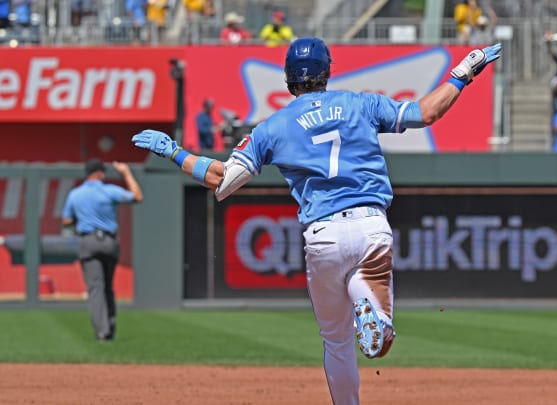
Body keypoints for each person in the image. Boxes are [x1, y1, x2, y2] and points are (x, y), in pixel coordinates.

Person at [132, 37, 502, 405]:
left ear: (289, 78)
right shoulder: (361, 103)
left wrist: (174, 151)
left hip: (323, 233)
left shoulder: (271, 127)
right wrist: (461, 73)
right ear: (327, 71)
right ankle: (373, 314)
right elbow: (425, 114)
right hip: (371, 223)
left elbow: (221, 179)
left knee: (336, 341)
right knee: (369, 299)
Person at [61, 159, 143, 342]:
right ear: (100, 174)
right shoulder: (109, 190)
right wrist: (127, 173)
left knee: (95, 288)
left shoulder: (76, 194)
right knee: (107, 287)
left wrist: (82, 219)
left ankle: (102, 331)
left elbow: (66, 220)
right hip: (108, 241)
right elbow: (137, 196)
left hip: (88, 240)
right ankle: (110, 328)